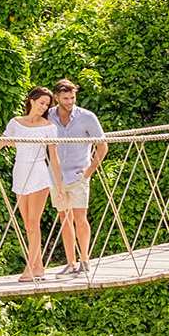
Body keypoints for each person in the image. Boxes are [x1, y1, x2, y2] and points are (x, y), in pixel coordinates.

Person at [0, 85, 63, 282]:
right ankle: (39, 268)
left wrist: (59, 187)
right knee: (27, 224)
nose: (44, 107)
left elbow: (54, 157)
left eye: (47, 104)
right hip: (20, 172)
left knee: (34, 223)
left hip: (38, 174)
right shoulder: (15, 123)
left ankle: (29, 268)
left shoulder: (49, 128)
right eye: (41, 102)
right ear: (31, 101)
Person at [49, 78, 107, 275]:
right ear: (56, 97)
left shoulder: (87, 117)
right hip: (56, 177)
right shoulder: (48, 116)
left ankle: (85, 259)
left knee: (80, 218)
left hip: (78, 176)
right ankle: (71, 262)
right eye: (65, 98)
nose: (69, 101)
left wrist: (88, 172)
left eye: (72, 97)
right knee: (64, 218)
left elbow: (102, 146)